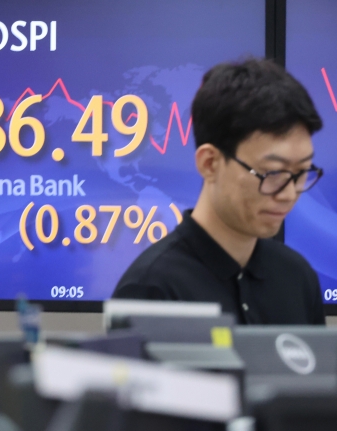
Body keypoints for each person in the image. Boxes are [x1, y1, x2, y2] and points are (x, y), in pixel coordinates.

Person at [113, 58, 325, 325]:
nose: (288, 194)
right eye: (272, 173)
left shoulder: (297, 277)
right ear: (210, 163)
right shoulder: (152, 289)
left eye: (302, 172)